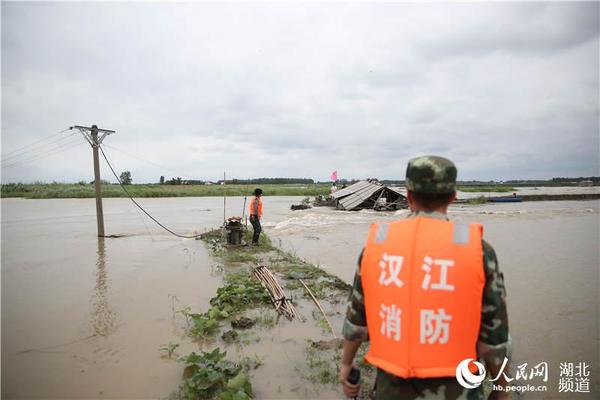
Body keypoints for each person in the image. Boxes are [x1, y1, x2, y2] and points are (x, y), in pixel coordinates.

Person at [339, 155, 510, 400]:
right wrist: (501, 389)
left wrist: (346, 364)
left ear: (408, 195)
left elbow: (356, 321)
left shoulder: (377, 246)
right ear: (453, 196)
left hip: (392, 389)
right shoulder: (478, 250)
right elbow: (494, 337)